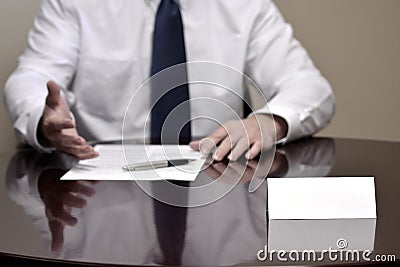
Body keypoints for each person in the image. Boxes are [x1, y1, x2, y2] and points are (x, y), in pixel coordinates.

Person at [3, 0, 335, 161]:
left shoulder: (246, 5)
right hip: (99, 185)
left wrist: (268, 121)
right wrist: (44, 117)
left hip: (214, 174)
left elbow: (310, 86)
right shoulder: (74, 3)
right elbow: (31, 77)